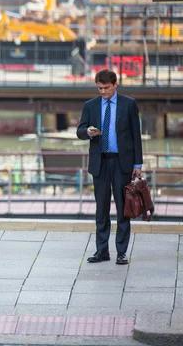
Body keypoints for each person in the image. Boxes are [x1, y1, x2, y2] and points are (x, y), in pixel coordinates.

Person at [77, 69, 143, 265]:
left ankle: (121, 252)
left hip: (122, 163)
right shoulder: (90, 106)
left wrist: (137, 163)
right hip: (100, 163)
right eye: (99, 88)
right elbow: (80, 130)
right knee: (101, 209)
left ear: (115, 84)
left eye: (106, 88)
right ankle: (102, 251)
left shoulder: (129, 104)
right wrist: (88, 132)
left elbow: (135, 135)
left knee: (124, 208)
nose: (103, 91)